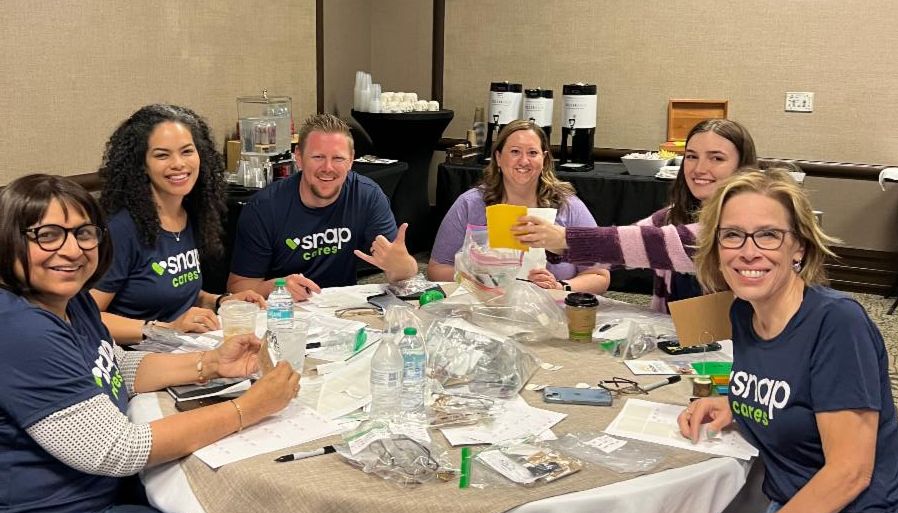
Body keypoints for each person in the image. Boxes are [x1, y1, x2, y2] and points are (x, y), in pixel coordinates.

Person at [0, 174, 300, 513]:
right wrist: (248, 408)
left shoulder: (71, 302)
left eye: (84, 233)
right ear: (8, 241)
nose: (72, 250)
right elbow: (118, 449)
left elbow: (113, 368)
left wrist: (209, 364)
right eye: (47, 235)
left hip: (90, 507)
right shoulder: (20, 328)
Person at [652, 169, 898, 513]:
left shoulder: (838, 323)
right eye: (733, 235)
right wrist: (736, 402)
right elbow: (794, 391)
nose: (749, 251)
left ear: (798, 246)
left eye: (768, 235)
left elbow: (850, 472)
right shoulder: (745, 313)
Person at [513, 119, 758, 311]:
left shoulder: (743, 225)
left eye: (716, 158)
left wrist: (564, 238)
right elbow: (613, 255)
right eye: (692, 156)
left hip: (736, 347)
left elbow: (649, 244)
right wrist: (560, 283)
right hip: (681, 340)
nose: (700, 168)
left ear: (742, 166)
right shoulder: (673, 216)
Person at [91, 104, 265, 345]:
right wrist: (165, 329)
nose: (178, 164)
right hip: (135, 357)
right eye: (162, 155)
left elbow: (175, 294)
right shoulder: (121, 229)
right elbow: (84, 318)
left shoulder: (192, 213)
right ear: (141, 164)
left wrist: (221, 301)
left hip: (186, 347)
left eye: (186, 151)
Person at [227, 113, 418, 300]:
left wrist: (402, 266)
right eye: (318, 157)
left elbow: (402, 273)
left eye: (338, 158)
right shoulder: (264, 208)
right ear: (299, 157)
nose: (328, 168)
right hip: (283, 311)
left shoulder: (367, 196)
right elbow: (238, 289)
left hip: (342, 310)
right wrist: (279, 286)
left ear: (351, 160)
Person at [428, 119, 610, 294]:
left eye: (532, 153)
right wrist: (477, 278)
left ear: (544, 159)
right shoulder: (470, 204)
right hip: (484, 307)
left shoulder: (569, 207)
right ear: (498, 157)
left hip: (549, 309)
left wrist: (559, 287)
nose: (524, 161)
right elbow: (437, 268)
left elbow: (599, 275)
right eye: (515, 151)